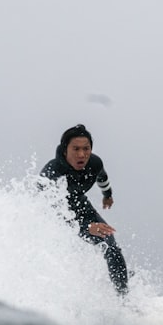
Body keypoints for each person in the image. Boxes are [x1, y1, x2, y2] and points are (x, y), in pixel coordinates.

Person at [39, 124, 129, 295]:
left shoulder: (94, 163)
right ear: (65, 150)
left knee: (111, 246)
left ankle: (124, 296)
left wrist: (107, 195)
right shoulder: (53, 173)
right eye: (76, 149)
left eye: (86, 149)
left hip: (81, 206)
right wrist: (87, 228)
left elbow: (102, 177)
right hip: (50, 216)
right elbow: (52, 212)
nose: (82, 155)